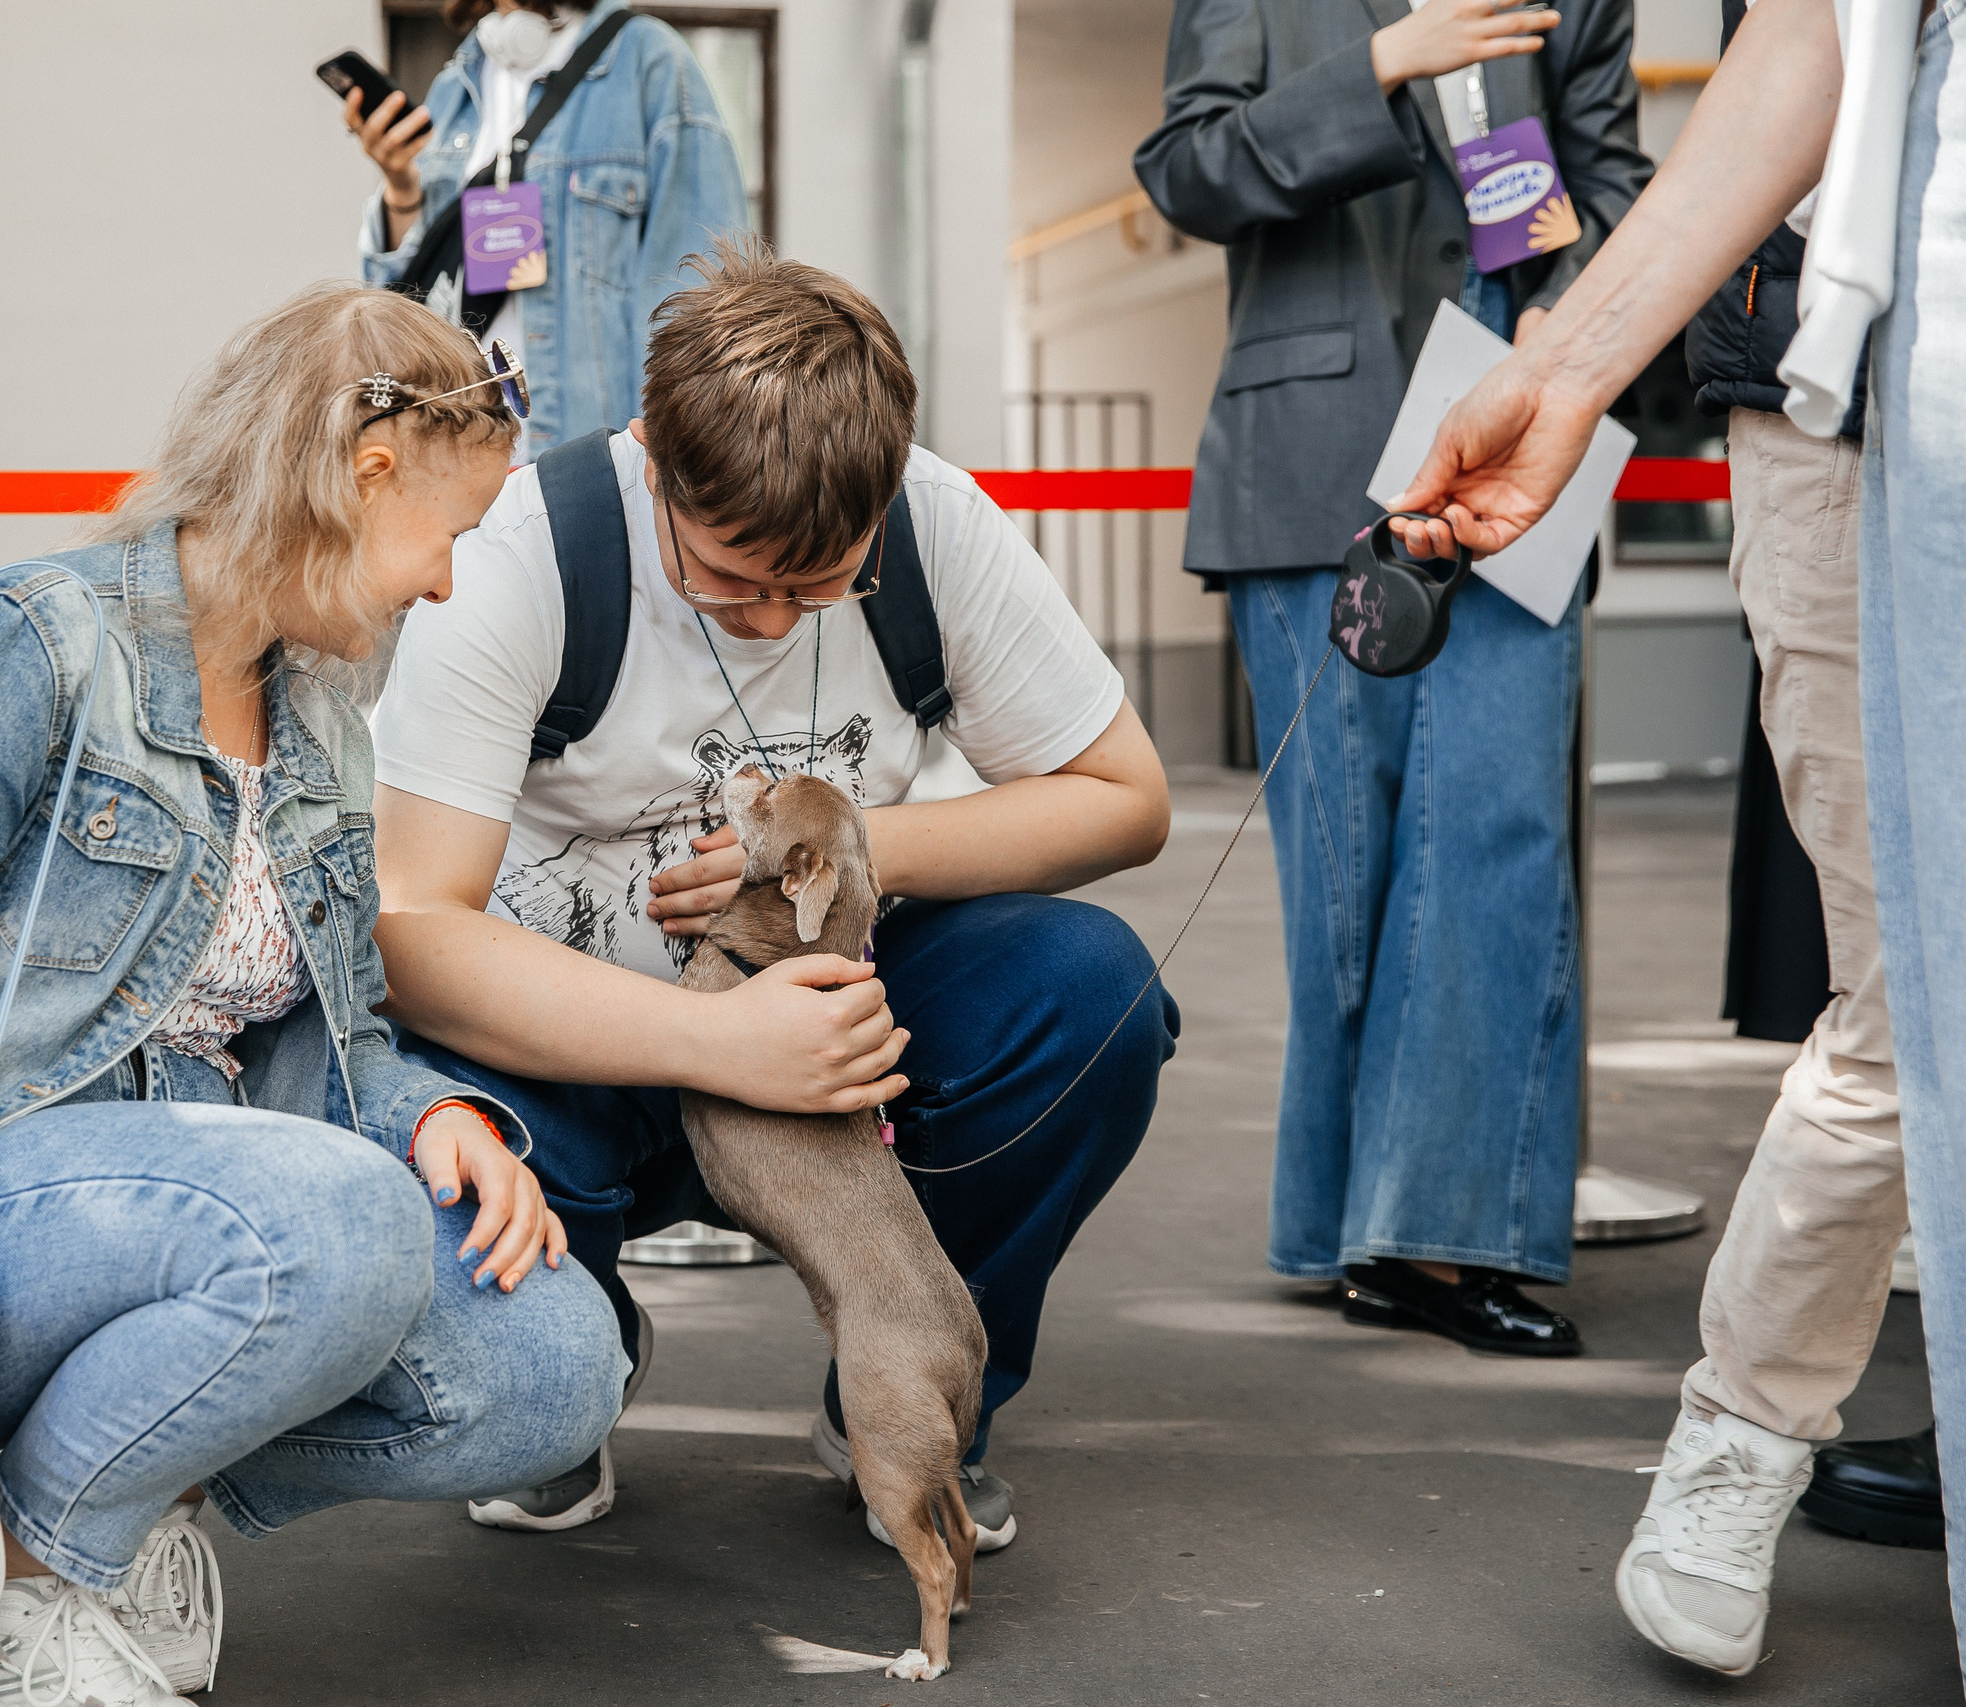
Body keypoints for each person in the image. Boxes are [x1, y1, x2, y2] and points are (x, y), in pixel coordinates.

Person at [0, 286, 626, 1707]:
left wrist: (429, 1114)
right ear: (364, 474)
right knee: (339, 1227)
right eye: (453, 534)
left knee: (552, 1366)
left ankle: (79, 1502)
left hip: (184, 1209)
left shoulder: (318, 722)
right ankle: (12, 1595)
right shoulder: (30, 642)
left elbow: (318, 1029)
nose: (447, 585)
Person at [368, 243, 1178, 1550]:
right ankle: (576, 1365)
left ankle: (903, 1385)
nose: (768, 619)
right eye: (730, 575)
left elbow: (1125, 796)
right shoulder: (527, 552)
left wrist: (862, 850)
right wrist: (715, 1039)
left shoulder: (935, 525)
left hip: (842, 1021)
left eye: (818, 585)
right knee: (460, 1156)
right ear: (655, 460)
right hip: (577, 1051)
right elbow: (411, 930)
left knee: (1094, 994)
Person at [1380, 0, 1966, 1668]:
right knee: (1912, 999)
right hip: (1858, 396)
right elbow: (1810, 41)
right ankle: (1746, 1429)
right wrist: (1564, 368)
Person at [1133, 0, 1652, 1354]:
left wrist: (1567, 306)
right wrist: (1377, 69)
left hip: (1521, 450)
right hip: (1315, 463)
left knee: (1500, 842)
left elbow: (1615, 192)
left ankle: (1442, 1240)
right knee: (1345, 876)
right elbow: (1185, 170)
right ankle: (1345, 1228)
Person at [347, 0, 747, 455]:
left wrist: (674, 461)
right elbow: (409, 307)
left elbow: (704, 301)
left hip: (589, 461)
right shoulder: (455, 85)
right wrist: (401, 191)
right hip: (459, 457)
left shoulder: (646, 61)